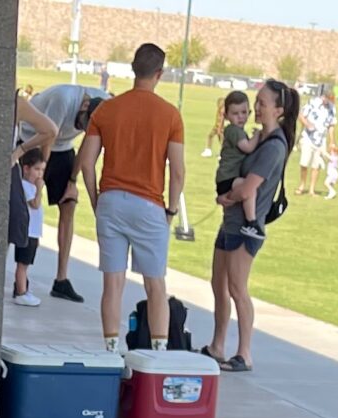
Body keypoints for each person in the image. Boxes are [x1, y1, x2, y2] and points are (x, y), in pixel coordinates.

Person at [75, 44, 183, 358]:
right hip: (149, 204)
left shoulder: (106, 110)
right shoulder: (170, 115)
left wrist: (96, 200)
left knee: (113, 283)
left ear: (133, 69)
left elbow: (86, 163)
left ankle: (111, 351)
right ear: (159, 73)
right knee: (155, 285)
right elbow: (177, 171)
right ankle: (158, 354)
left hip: (111, 200)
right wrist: (171, 210)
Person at [207, 78, 293, 373]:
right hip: (230, 223)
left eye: (262, 104)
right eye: (256, 102)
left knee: (237, 287)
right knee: (219, 284)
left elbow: (248, 189)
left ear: (279, 110)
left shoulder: (274, 147)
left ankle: (244, 353)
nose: (256, 108)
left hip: (246, 228)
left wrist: (226, 198)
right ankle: (217, 346)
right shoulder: (258, 140)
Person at [24, 77, 103, 302]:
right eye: (82, 123)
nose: (81, 128)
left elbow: (87, 147)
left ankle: (61, 280)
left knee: (69, 204)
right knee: (27, 208)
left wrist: (72, 181)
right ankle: (21, 275)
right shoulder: (63, 99)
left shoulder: (104, 104)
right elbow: (47, 137)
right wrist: (39, 181)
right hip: (32, 141)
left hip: (63, 148)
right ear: (84, 106)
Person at [9, 148, 46, 307]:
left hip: (33, 232)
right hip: (27, 231)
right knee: (22, 264)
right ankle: (21, 292)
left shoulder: (31, 186)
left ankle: (23, 288)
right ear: (26, 169)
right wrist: (39, 190)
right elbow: (35, 204)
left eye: (42, 170)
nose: (40, 174)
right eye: (37, 169)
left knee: (26, 264)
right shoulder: (25, 186)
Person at [296, 86, 331, 195]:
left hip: (321, 139)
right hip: (308, 137)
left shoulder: (331, 108)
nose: (328, 100)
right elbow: (301, 115)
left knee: (316, 165)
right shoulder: (313, 103)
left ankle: (312, 189)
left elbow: (331, 125)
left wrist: (331, 141)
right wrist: (307, 124)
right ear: (323, 96)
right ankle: (302, 185)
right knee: (304, 163)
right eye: (327, 97)